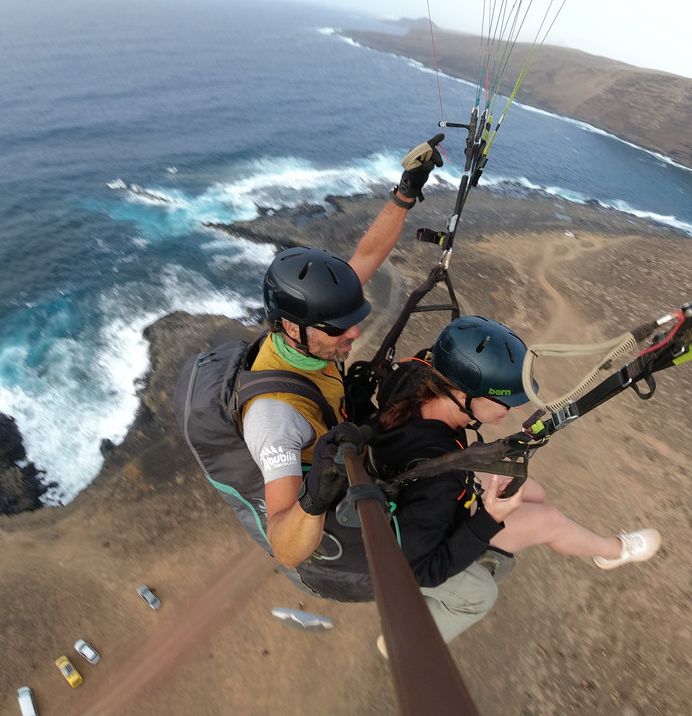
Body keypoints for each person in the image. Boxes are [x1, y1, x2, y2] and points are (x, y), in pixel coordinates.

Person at [370, 315, 662, 645]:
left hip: (414, 472)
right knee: (548, 520)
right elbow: (420, 568)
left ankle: (608, 549)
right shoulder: (441, 481)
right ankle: (614, 551)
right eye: (504, 403)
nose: (508, 412)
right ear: (464, 395)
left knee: (533, 491)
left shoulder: (415, 377)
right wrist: (488, 519)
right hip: (418, 523)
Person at [241, 135, 444, 600]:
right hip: (323, 488)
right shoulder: (274, 417)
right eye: (340, 330)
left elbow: (368, 254)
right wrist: (315, 497)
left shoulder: (313, 332)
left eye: (355, 322)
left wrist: (405, 192)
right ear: (292, 329)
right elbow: (285, 548)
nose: (353, 336)